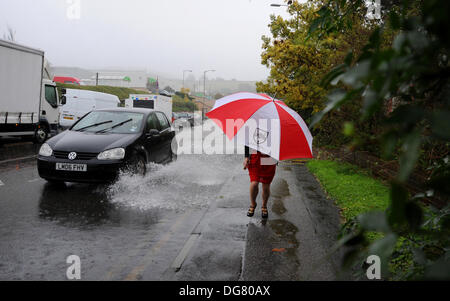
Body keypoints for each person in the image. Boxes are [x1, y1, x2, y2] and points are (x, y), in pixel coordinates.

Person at [243, 145, 277, 218]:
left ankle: (264, 206)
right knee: (254, 183)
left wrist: (276, 157)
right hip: (255, 157)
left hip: (269, 157)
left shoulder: (276, 133)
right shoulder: (251, 132)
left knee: (266, 185)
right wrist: (246, 157)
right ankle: (253, 204)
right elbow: (247, 142)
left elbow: (279, 144)